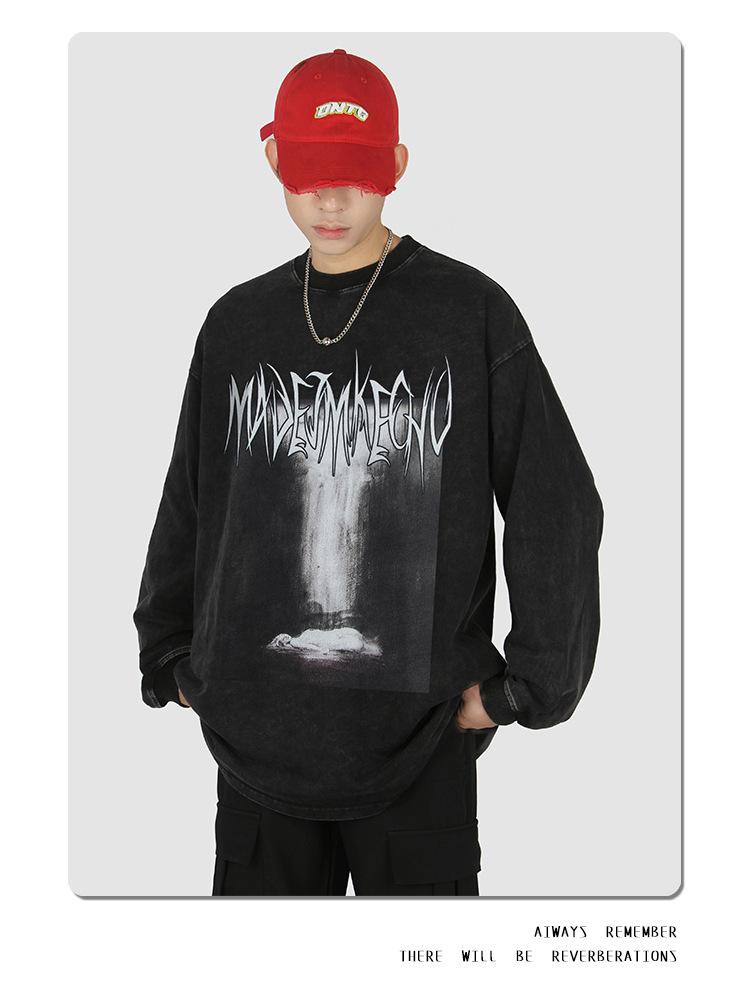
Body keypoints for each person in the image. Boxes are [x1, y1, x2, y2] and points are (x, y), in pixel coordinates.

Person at [132, 47, 604, 897]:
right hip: (253, 759)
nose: (330, 199)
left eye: (353, 173)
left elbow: (556, 502)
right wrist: (168, 653)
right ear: (273, 159)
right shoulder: (236, 323)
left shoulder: (469, 313)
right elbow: (193, 501)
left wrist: (524, 688)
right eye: (310, 172)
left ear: (396, 166)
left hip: (418, 756)